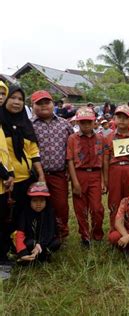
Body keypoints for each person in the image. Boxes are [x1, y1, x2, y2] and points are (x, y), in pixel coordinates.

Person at [1, 86, 45, 240]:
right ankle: (4, 251)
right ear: (5, 99)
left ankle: (20, 244)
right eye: (13, 97)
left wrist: (40, 174)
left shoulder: (26, 124)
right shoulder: (0, 123)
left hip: (26, 180)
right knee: (5, 217)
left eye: (20, 99)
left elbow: (33, 152)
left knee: (22, 214)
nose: (17, 102)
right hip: (5, 182)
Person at [31, 90, 72, 239]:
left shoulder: (65, 124)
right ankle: (40, 234)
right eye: (39, 103)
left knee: (61, 206)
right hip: (36, 175)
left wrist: (70, 170)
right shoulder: (29, 125)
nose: (43, 106)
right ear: (32, 106)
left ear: (53, 103)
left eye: (46, 102)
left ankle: (61, 234)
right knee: (38, 205)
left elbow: (72, 148)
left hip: (58, 174)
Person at [67, 107, 107, 247]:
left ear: (94, 122)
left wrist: (103, 180)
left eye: (89, 122)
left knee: (97, 208)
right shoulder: (72, 139)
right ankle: (84, 236)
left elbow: (103, 161)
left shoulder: (100, 139)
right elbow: (70, 160)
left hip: (95, 174)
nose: (86, 125)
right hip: (79, 174)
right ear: (78, 123)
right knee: (80, 208)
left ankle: (97, 233)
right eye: (82, 122)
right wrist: (75, 182)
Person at [103, 105, 129, 229]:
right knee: (114, 200)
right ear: (114, 119)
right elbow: (105, 160)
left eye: (125, 118)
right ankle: (115, 229)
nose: (122, 120)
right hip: (115, 170)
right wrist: (105, 179)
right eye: (119, 117)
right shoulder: (108, 138)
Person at [15, 182, 61, 265]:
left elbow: (50, 232)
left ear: (46, 201)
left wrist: (40, 245)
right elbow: (19, 233)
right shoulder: (25, 212)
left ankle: (42, 256)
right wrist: (22, 253)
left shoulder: (49, 212)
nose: (38, 204)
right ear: (30, 201)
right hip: (31, 241)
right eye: (35, 201)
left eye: (42, 200)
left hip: (44, 242)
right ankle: (30, 257)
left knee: (56, 242)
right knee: (29, 243)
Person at [0, 81, 15, 276]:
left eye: (3, 93)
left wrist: (9, 173)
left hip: (3, 185)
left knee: (2, 221)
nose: (0, 96)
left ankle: (3, 258)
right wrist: (5, 173)